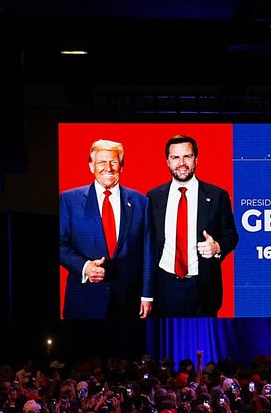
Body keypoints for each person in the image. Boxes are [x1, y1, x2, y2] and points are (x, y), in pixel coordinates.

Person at [59, 139, 155, 319]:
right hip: (84, 299)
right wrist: (85, 267)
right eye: (102, 162)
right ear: (91, 166)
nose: (108, 168)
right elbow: (60, 244)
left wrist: (147, 295)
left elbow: (148, 251)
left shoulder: (141, 202)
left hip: (128, 301)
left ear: (122, 166)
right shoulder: (69, 200)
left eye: (114, 162)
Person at [148, 134, 238, 317]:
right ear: (167, 161)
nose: (181, 163)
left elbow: (231, 236)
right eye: (175, 158)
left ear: (196, 159)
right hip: (164, 287)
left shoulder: (217, 195)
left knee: (203, 339)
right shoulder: (153, 197)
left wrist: (217, 247)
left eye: (187, 156)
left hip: (203, 287)